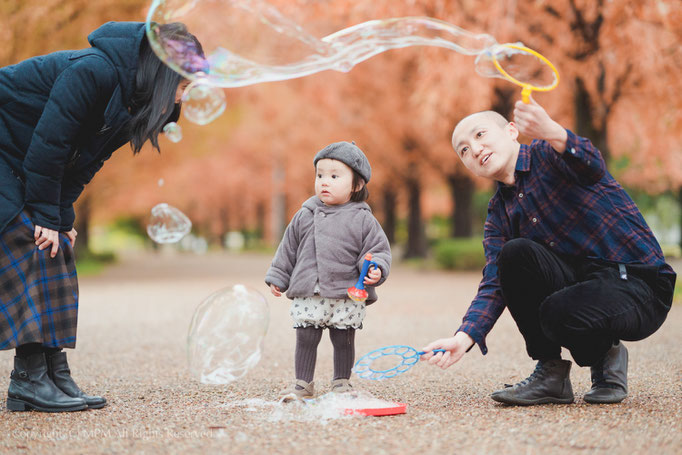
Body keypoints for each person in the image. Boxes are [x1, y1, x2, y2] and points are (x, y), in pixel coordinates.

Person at [0, 21, 205, 412]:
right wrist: (45, 214)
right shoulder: (95, 71)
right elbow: (50, 146)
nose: (181, 100)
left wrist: (61, 217)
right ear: (162, 75)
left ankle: (53, 372)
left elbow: (81, 166)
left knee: (55, 245)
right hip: (9, 147)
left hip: (23, 157)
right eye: (182, 87)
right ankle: (27, 378)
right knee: (28, 236)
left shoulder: (128, 102)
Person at [421, 98, 676, 405]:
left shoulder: (551, 155)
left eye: (479, 135)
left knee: (558, 313)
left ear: (512, 131)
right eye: (464, 150)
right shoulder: (498, 214)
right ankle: (551, 374)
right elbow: (495, 283)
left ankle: (608, 356)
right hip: (581, 289)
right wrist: (464, 337)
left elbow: (591, 163)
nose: (474, 149)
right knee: (514, 255)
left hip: (637, 282)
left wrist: (554, 132)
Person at [265, 141, 391, 402]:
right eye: (320, 175)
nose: (325, 182)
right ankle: (302, 384)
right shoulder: (305, 214)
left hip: (346, 292)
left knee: (343, 337)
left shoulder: (363, 218)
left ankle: (342, 382)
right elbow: (288, 248)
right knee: (306, 335)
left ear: (356, 185)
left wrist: (376, 269)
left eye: (335, 176)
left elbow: (377, 249)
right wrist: (279, 276)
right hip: (310, 289)